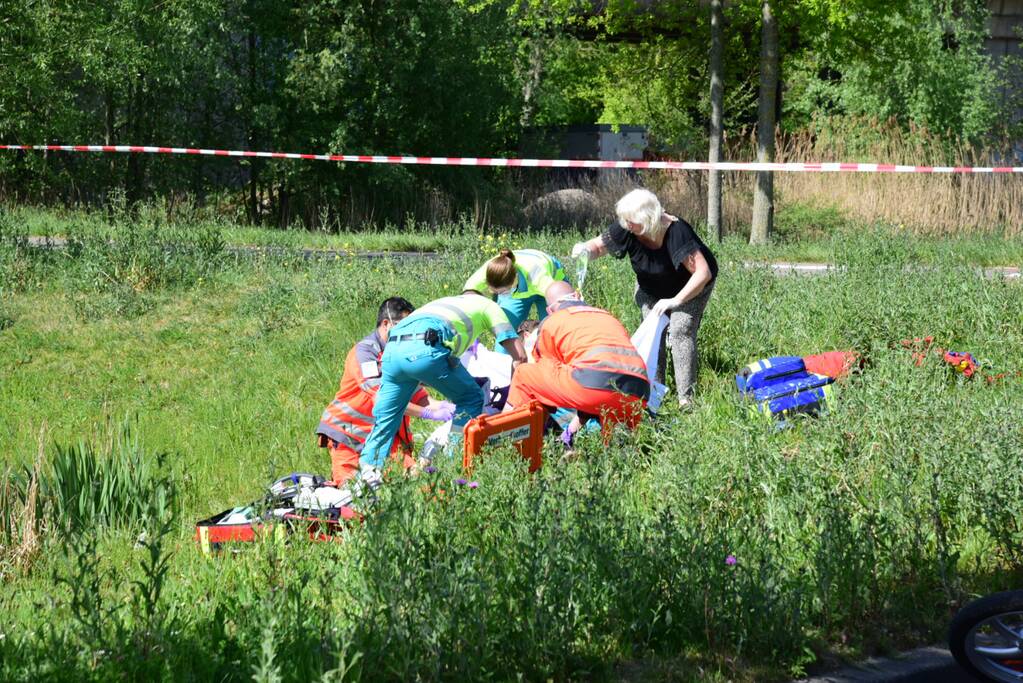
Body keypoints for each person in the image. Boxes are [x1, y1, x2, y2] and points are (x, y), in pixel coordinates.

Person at [350, 293, 528, 497]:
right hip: (425, 347)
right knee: (472, 399)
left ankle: (367, 478)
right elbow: (520, 355)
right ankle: (450, 463)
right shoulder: (489, 306)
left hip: (392, 351)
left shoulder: (441, 303)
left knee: (387, 418)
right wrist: (513, 401)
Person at [572, 188, 717, 408]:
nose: (626, 224)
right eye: (625, 220)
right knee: (653, 331)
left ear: (648, 220)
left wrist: (675, 301)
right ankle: (655, 390)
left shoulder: (677, 231)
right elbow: (599, 246)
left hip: (691, 286)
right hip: (651, 288)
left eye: (632, 221)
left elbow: (702, 273)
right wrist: (585, 250)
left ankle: (686, 398)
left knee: (680, 329)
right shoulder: (628, 227)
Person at [315, 297, 455, 484]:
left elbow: (418, 396)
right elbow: (384, 400)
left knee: (415, 482)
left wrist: (447, 407)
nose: (408, 333)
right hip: (350, 437)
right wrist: (428, 413)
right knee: (354, 497)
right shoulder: (365, 354)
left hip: (383, 437)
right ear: (386, 324)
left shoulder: (400, 354)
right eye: (404, 326)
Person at [505, 281, 649, 439]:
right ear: (577, 296)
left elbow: (544, 374)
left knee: (524, 374)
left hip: (593, 387)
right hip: (639, 392)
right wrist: (570, 433)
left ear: (549, 310)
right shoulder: (608, 317)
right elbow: (602, 374)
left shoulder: (553, 321)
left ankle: (515, 442)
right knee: (618, 447)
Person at [463, 249, 570, 342]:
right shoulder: (490, 270)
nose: (500, 295)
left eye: (503, 292)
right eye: (496, 292)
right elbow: (468, 295)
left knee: (552, 331)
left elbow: (565, 306)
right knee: (505, 332)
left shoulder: (539, 277)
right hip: (518, 290)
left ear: (515, 278)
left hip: (549, 284)